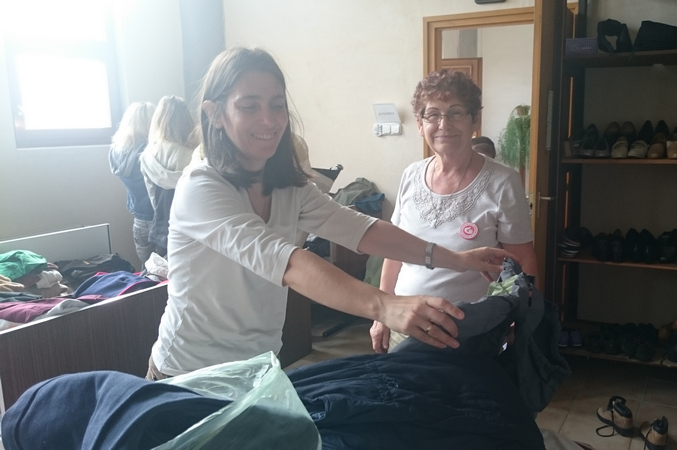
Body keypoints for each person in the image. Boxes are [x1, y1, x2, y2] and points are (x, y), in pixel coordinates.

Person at [146, 47, 513, 379]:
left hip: (257, 369)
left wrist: (457, 260)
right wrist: (386, 307)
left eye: (277, 105)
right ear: (215, 114)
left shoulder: (287, 186)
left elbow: (362, 230)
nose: (269, 120)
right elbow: (287, 263)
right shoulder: (201, 187)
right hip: (189, 374)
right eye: (249, 106)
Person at [370, 69, 540, 353]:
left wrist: (518, 319)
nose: (443, 124)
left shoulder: (503, 181)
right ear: (420, 125)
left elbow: (522, 260)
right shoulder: (411, 175)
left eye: (455, 112)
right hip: (405, 324)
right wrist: (382, 312)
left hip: (470, 331)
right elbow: (394, 251)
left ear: (474, 120)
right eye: (432, 114)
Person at [139, 95, 198, 257]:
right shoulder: (196, 155)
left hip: (162, 228)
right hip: (192, 228)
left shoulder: (148, 155)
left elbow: (153, 197)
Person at [108, 101, 156, 269]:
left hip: (139, 220)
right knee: (166, 270)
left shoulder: (117, 151)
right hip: (159, 218)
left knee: (147, 268)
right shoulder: (151, 152)